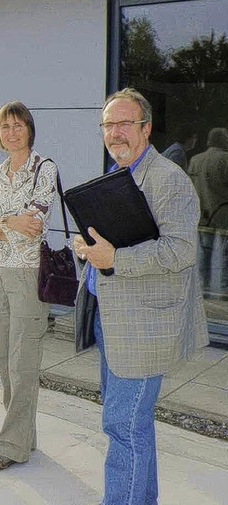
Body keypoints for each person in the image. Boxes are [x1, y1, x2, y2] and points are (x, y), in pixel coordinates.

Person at [73, 88, 209, 505]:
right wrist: (90, 249)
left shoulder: (169, 180)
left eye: (124, 123)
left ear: (146, 128)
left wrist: (114, 256)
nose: (115, 133)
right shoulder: (119, 176)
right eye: (108, 125)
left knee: (122, 426)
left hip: (145, 326)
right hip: (112, 318)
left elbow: (181, 250)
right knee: (133, 426)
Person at [0, 101, 57, 471]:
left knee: (24, 362)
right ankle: (20, 432)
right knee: (4, 358)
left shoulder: (44, 169)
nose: (12, 132)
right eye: (5, 127)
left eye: (18, 125)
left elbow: (34, 224)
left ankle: (13, 444)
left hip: (27, 274)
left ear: (29, 129)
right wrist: (10, 220)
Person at [188, 127, 228, 293]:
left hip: (202, 214)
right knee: (226, 254)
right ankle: (225, 289)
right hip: (222, 213)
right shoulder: (225, 159)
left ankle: (203, 287)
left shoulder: (196, 159)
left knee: (204, 251)